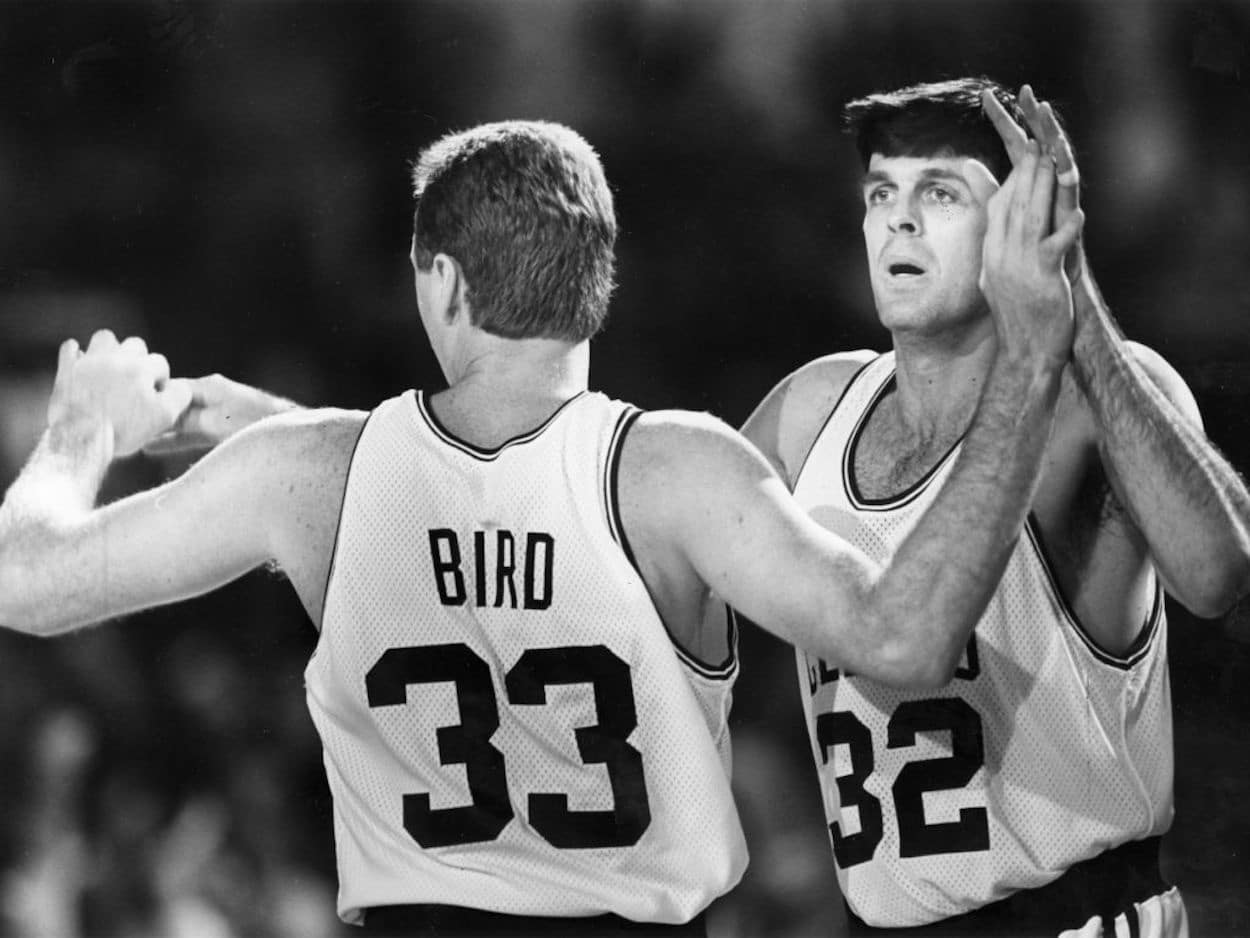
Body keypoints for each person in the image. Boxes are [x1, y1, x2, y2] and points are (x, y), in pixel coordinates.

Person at [0, 119, 1079, 936]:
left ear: (444, 283)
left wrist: (78, 434)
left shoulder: (306, 480)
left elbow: (25, 581)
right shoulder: (678, 471)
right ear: (596, 283)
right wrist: (1027, 359)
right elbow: (900, 636)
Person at [734, 78, 1250, 937]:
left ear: (1023, 220)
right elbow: (655, 581)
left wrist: (1070, 297)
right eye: (881, 194)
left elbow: (1219, 571)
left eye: (938, 193)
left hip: (1077, 917)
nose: (898, 220)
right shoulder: (811, 409)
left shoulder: (1097, 399)